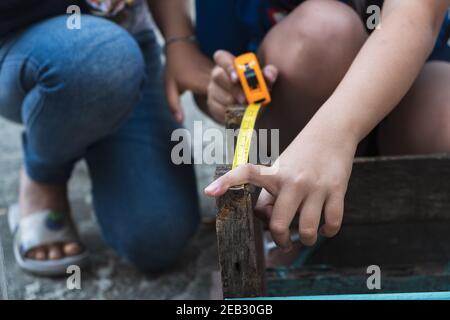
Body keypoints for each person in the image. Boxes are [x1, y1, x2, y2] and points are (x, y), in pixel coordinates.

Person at [163, 0, 450, 251]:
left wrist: (332, 134)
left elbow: (416, 16)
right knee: (324, 31)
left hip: (410, 92)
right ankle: (289, 231)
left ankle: (402, 233)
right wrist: (225, 92)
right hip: (291, 121)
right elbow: (216, 83)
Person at [0, 0, 199, 276]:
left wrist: (179, 42)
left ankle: (79, 123)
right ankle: (43, 175)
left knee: (158, 236)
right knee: (99, 58)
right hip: (24, 41)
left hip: (128, 38)